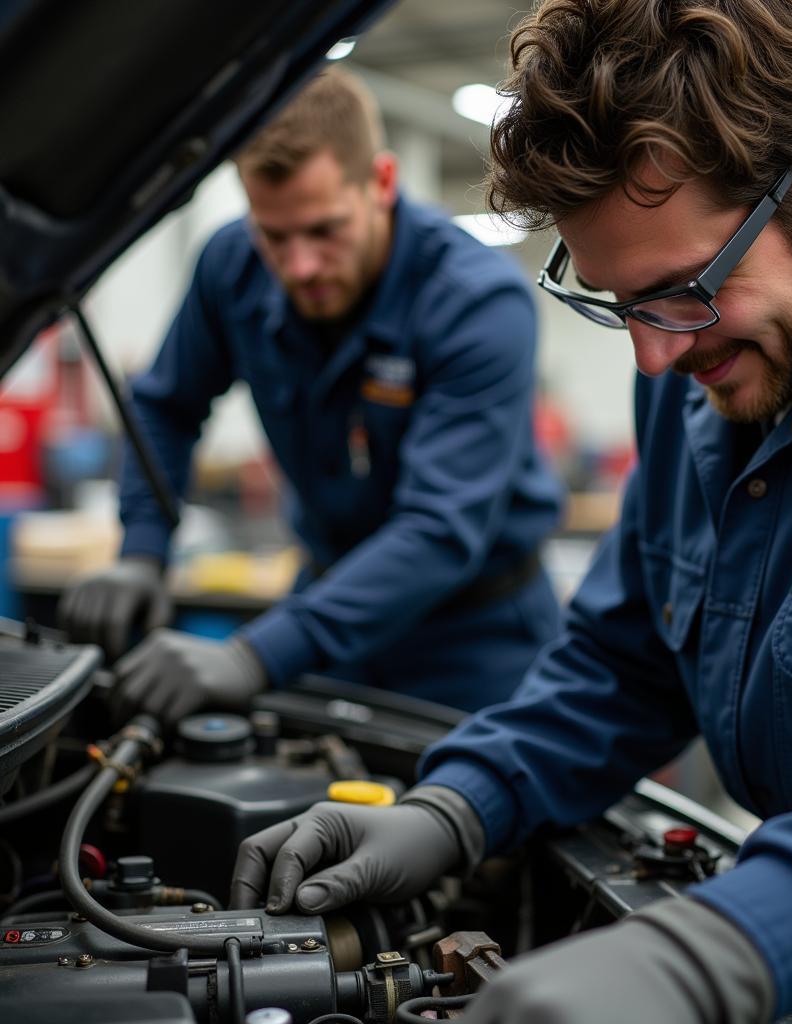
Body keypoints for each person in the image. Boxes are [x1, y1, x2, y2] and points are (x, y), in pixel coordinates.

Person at [229, 1, 792, 1021]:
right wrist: (458, 802)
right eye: (619, 305)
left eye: (681, 291)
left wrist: (726, 946)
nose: (652, 358)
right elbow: (624, 662)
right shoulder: (699, 352)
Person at [58, 67, 564, 718]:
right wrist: (141, 552)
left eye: (324, 231)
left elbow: (439, 529)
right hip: (326, 614)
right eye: (275, 235)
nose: (299, 266)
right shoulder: (231, 266)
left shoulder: (476, 301)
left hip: (473, 640)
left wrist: (254, 656)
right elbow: (165, 405)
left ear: (381, 184)